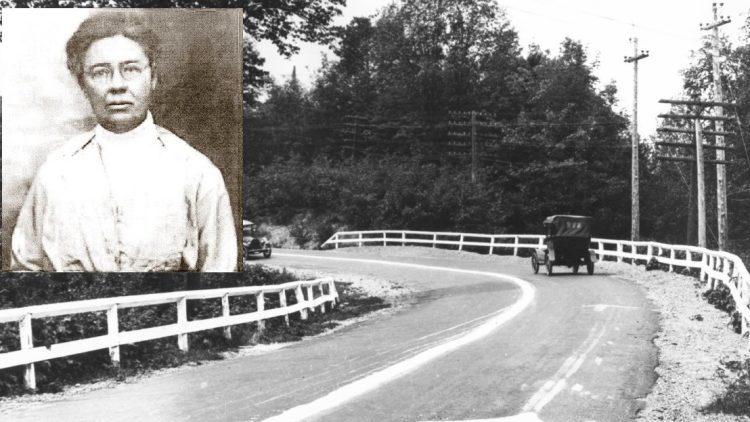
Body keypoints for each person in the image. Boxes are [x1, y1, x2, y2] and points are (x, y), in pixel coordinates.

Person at [10, 11, 238, 272]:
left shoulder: (196, 173)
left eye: (131, 69)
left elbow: (220, 275)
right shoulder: (55, 173)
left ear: (153, 77)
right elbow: (24, 269)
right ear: (82, 84)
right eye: (100, 72)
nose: (117, 85)